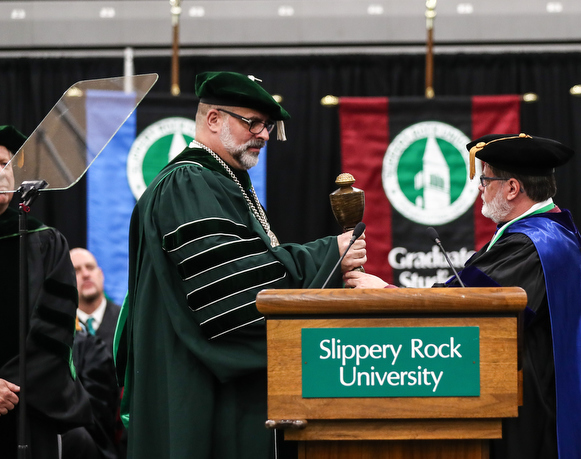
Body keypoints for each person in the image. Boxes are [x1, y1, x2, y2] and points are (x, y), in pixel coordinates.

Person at [345, 133, 581, 458]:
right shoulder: (549, 232)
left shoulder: (534, 243)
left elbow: (468, 304)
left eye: (485, 180)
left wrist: (386, 293)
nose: (479, 189)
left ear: (513, 188)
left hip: (535, 404)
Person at [117, 71, 367, 459]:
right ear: (214, 119)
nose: (265, 134)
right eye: (253, 122)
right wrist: (328, 254)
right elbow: (232, 291)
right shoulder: (189, 183)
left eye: (267, 125)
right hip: (198, 389)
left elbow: (249, 269)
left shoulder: (225, 183)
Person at [0, 124, 93, 458]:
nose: (1, 174)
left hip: (27, 408)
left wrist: (7, 387)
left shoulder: (44, 242)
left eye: (5, 164)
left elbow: (53, 333)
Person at [62, 248, 121, 459]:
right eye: (76, 270)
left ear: (101, 274)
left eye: (90, 267)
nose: (85, 274)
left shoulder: (129, 324)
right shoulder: (59, 333)